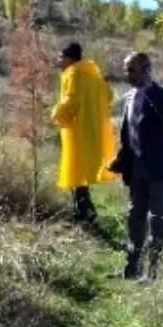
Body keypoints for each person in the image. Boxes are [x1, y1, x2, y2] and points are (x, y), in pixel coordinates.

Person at [109, 51, 163, 282]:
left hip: (159, 168)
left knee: (157, 219)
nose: (126, 73)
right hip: (136, 166)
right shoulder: (129, 97)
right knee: (135, 216)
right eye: (126, 69)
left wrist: (149, 89)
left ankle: (154, 274)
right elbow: (129, 133)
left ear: (146, 70)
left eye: (131, 69)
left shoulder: (162, 94)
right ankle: (131, 268)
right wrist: (121, 159)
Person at [50, 41, 117, 224]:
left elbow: (70, 102)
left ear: (69, 59)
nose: (58, 61)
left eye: (60, 57)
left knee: (76, 171)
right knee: (81, 172)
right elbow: (109, 96)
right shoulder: (94, 75)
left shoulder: (73, 74)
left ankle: (84, 213)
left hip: (77, 130)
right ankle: (84, 211)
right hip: (94, 130)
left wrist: (55, 114)